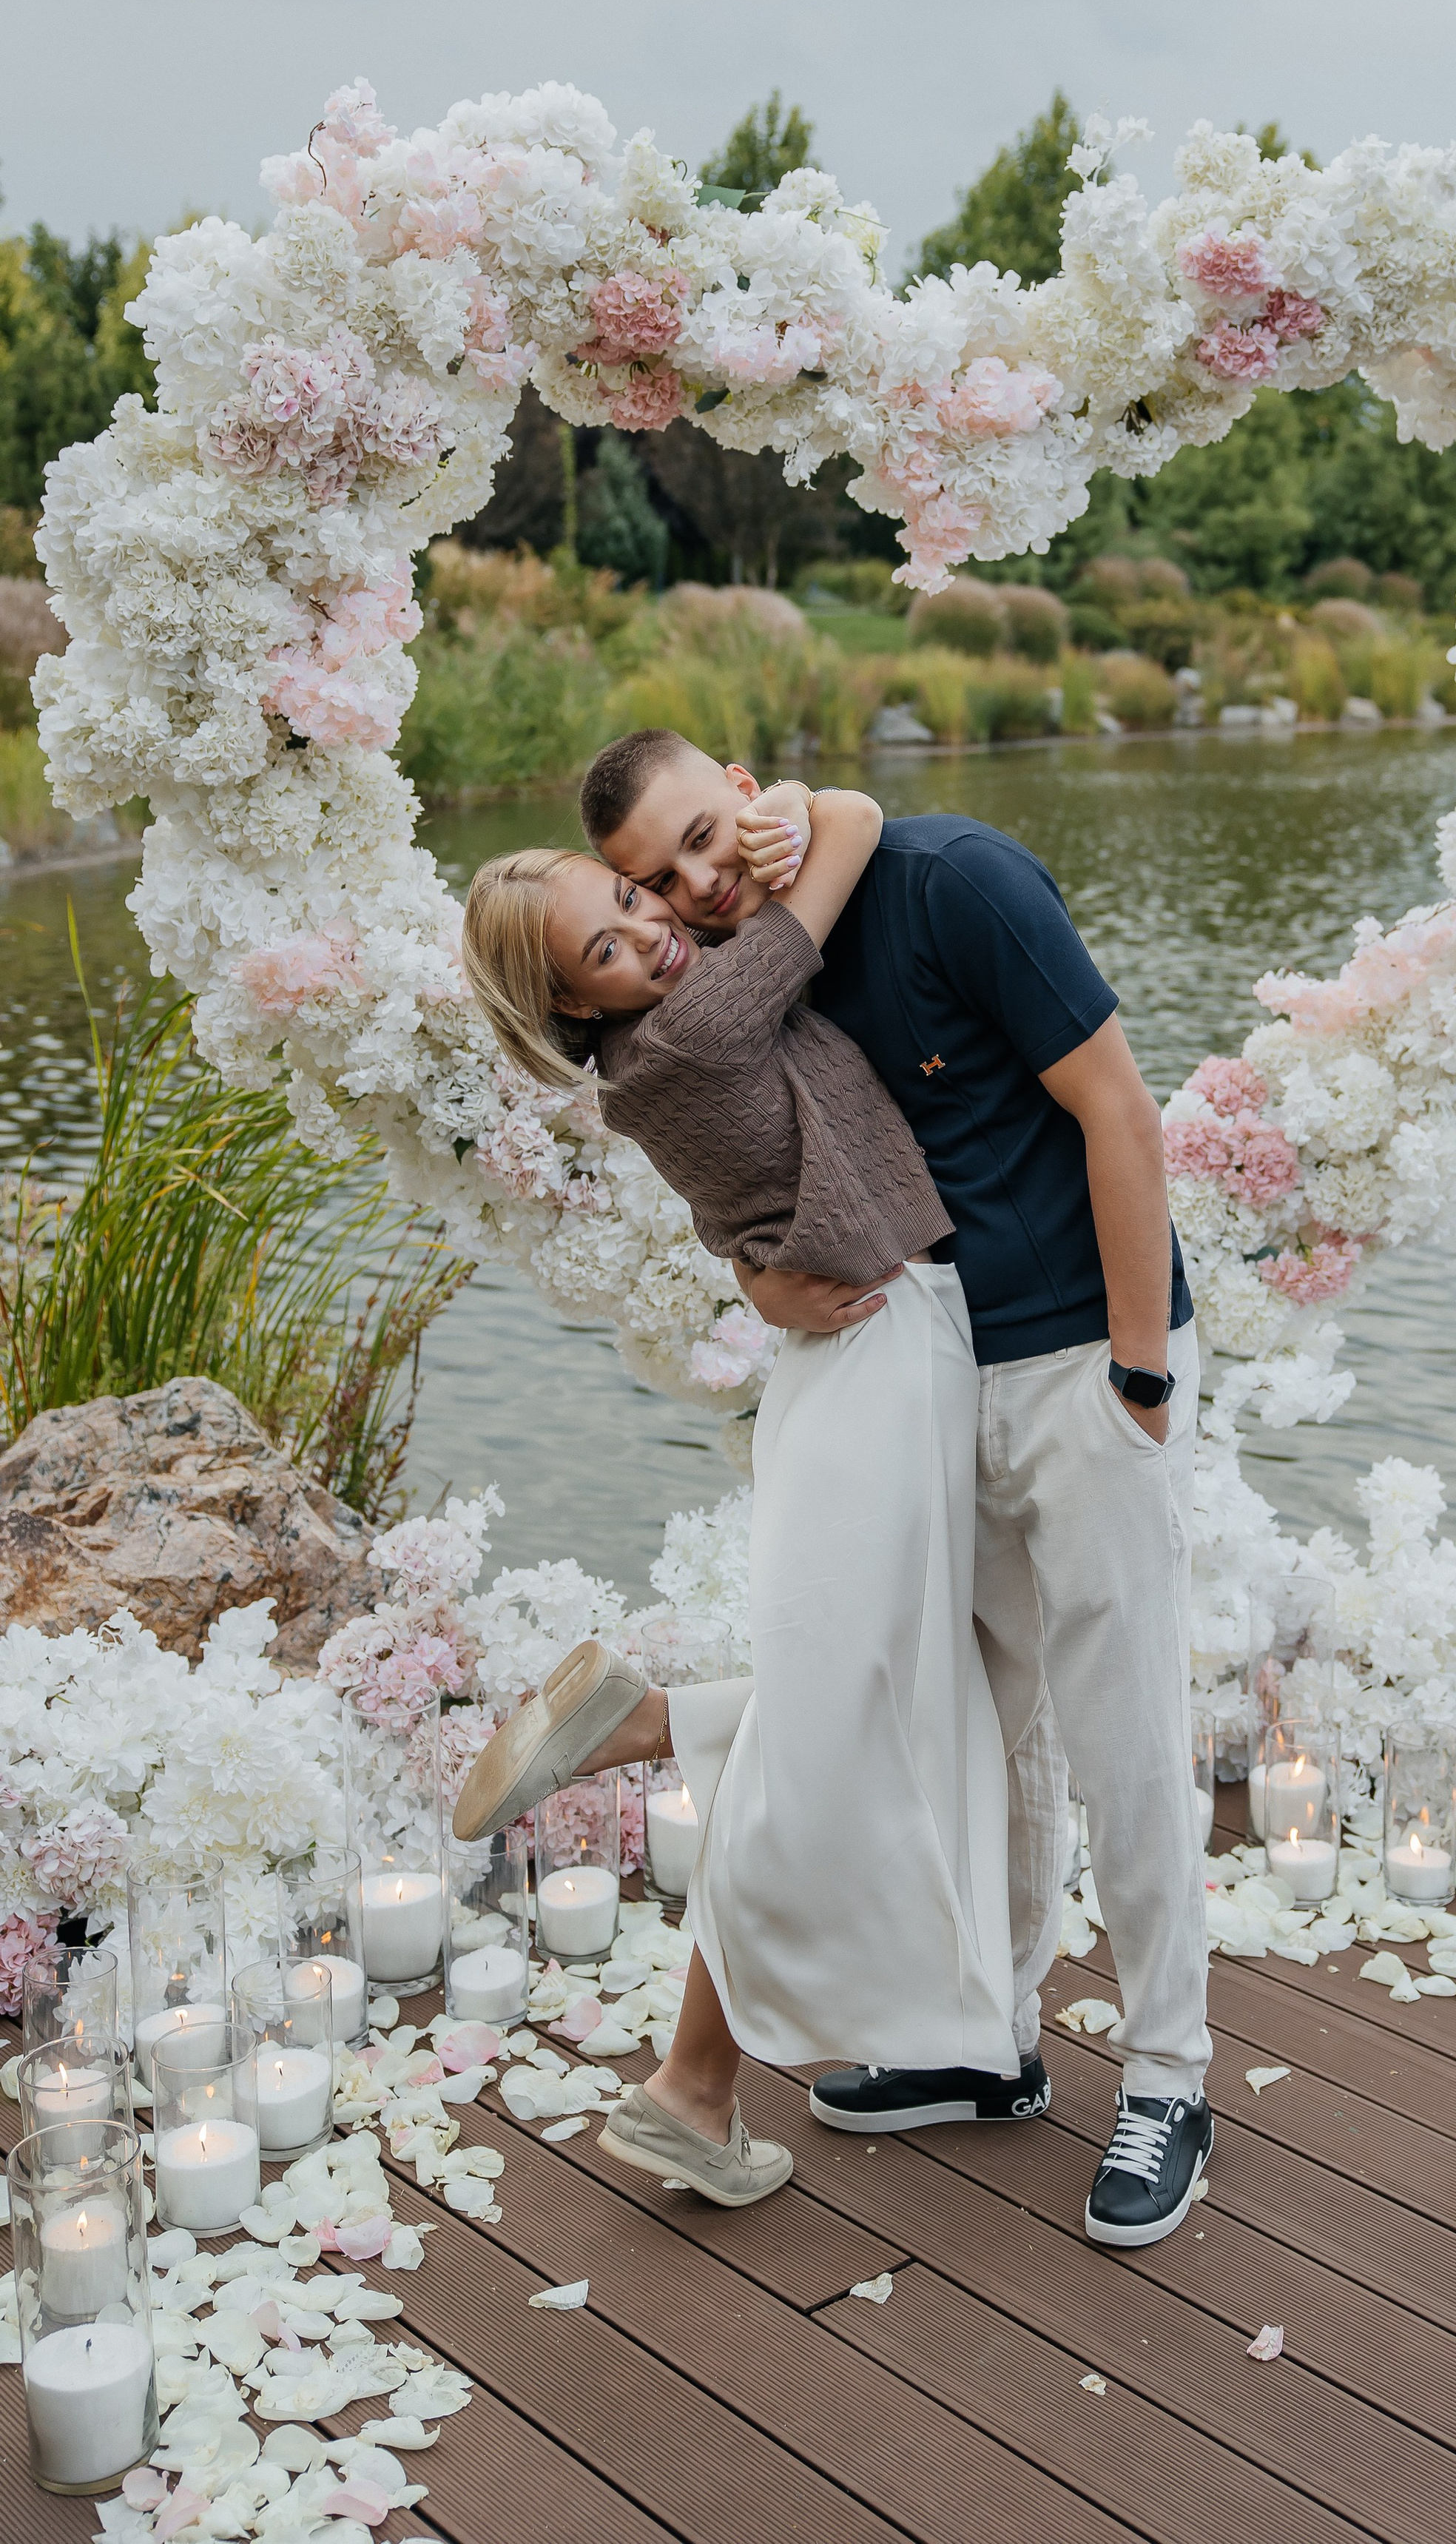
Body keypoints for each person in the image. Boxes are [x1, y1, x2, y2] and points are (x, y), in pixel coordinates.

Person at [581, 727, 1213, 2249]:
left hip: (1079, 1362)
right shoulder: (749, 972)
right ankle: (985, 2043)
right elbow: (750, 1148)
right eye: (652, 878)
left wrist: (1137, 1373)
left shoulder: (949, 878)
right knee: (981, 1721)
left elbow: (1119, 1112)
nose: (693, 881)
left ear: (742, 784)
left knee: (1123, 1725)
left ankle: (1170, 2076)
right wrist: (750, 1271)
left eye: (699, 835)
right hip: (931, 1382)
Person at [454, 781, 1017, 2209]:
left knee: (862, 1703)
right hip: (881, 1354)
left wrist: (752, 1264)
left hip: (869, 1352)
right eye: (606, 947)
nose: (651, 934)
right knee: (841, 1725)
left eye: (636, 902)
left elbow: (737, 1193)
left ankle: (649, 1737)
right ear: (576, 1009)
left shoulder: (659, 1055)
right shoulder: (698, 1023)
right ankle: (690, 2083)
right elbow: (854, 846)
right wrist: (827, 808)